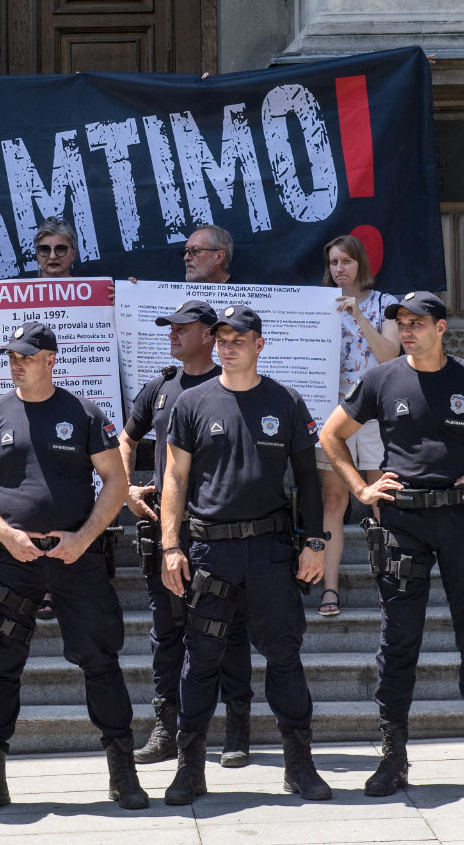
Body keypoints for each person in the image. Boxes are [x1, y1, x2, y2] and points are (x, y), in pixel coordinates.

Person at [321, 290, 464, 797]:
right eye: (401, 321)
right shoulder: (381, 378)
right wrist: (360, 488)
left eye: (417, 321)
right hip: (403, 523)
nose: (407, 329)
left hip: (463, 518)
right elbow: (332, 434)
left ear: (441, 327)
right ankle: (392, 757)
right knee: (399, 639)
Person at [0, 321, 147, 816]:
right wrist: (7, 535)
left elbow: (115, 480)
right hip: (12, 561)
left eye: (25, 355)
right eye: (11, 355)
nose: (15, 362)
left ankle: (122, 774)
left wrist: (83, 539)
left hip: (76, 562)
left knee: (101, 663)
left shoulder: (82, 413)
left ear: (50, 360)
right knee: (0, 667)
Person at [158, 305, 330, 806]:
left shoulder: (287, 401)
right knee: (201, 660)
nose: (228, 345)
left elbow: (308, 480)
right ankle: (190, 769)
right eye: (222, 337)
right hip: (211, 551)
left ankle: (299, 766)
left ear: (260, 344)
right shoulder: (192, 403)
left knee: (284, 657)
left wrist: (314, 542)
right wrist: (171, 546)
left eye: (239, 338)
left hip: (271, 552)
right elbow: (174, 479)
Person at [118, 299, 255, 769]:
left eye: (182, 327)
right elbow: (126, 438)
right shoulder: (159, 386)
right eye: (169, 327)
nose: (173, 334)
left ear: (208, 334)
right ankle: (167, 727)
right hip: (166, 530)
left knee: (231, 630)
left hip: (219, 530)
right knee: (167, 629)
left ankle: (237, 729)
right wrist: (126, 489)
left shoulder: (229, 385)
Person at [316, 235, 400, 618]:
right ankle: (329, 590)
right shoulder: (317, 304)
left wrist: (359, 315)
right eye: (334, 263)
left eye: (346, 261)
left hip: (376, 411)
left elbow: (390, 355)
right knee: (334, 500)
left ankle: (389, 588)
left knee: (379, 497)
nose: (339, 270)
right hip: (332, 415)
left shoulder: (386, 303)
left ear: (360, 263)